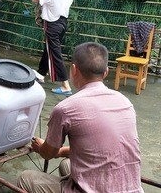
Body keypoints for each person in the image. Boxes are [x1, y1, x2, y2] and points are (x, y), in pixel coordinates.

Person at [17, 42, 143, 193]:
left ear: (74, 70)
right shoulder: (125, 102)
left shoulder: (66, 109)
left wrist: (41, 147)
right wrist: (61, 152)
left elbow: (47, 154)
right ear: (106, 72)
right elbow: (99, 148)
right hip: (132, 189)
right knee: (66, 165)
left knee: (25, 178)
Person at [32, 0, 77, 94]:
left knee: (55, 53)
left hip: (51, 22)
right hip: (63, 22)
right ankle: (41, 73)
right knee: (49, 48)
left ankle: (65, 86)